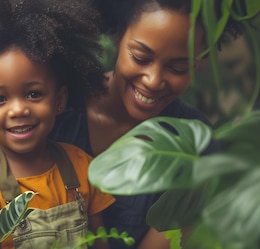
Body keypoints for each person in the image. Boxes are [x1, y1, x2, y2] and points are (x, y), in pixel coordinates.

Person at [49, 1, 245, 249]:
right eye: (141, 57)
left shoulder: (195, 149)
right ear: (119, 36)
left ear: (198, 62)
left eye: (178, 67)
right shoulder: (56, 109)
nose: (153, 81)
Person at [0, 0, 115, 248]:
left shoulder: (81, 166)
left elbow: (100, 240)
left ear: (59, 100)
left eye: (34, 94)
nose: (18, 110)